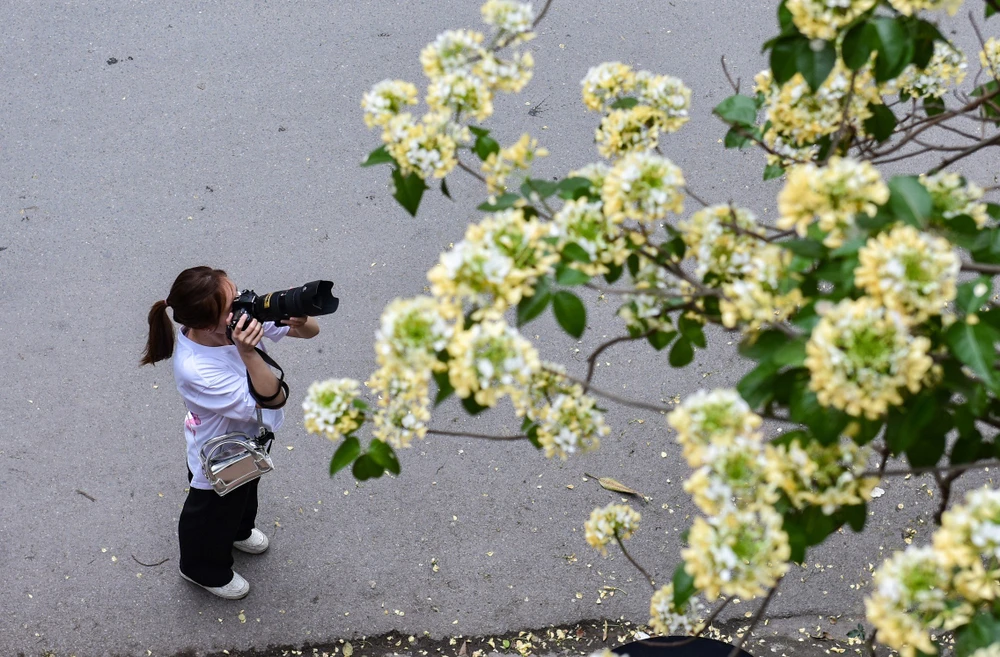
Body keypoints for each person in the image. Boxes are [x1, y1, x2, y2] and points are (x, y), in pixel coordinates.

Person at [141, 266, 320, 599]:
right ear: (210, 324)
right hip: (218, 453)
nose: (242, 305)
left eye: (237, 293)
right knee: (209, 510)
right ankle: (200, 568)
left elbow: (310, 332)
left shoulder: (237, 319)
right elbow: (273, 398)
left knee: (244, 493)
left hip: (248, 441)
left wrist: (299, 318)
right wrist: (248, 352)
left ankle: (239, 530)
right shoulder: (196, 369)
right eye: (231, 305)